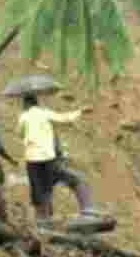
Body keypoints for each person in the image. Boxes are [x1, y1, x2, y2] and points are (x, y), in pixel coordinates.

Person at [16, 92, 93, 221]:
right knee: (73, 179)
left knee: (38, 189)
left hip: (32, 159)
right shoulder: (45, 113)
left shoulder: (23, 116)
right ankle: (88, 211)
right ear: (36, 103)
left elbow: (20, 133)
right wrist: (80, 112)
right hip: (47, 157)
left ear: (25, 104)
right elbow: (64, 118)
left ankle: (42, 220)